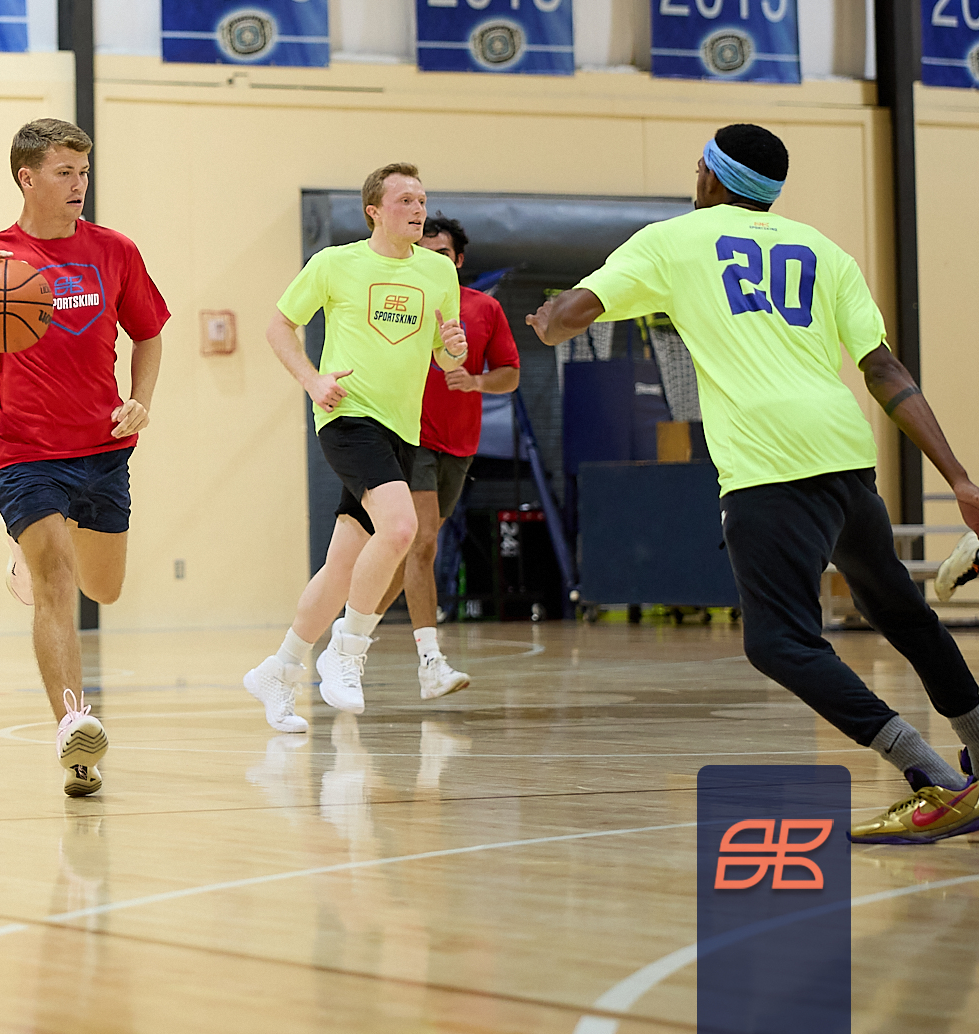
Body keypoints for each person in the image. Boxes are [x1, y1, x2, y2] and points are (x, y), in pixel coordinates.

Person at [527, 124, 979, 844]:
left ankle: (935, 778)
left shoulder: (672, 240)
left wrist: (547, 319)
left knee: (778, 642)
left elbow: (569, 318)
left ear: (710, 176)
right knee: (896, 607)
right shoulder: (824, 250)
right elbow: (884, 370)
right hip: (844, 451)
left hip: (770, 464)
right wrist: (958, 477)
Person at [0, 118, 170, 797]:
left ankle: (30, 562)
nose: (78, 184)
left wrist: (140, 399)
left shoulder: (114, 251)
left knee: (104, 588)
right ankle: (75, 730)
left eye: (83, 172)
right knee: (58, 581)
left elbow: (149, 333)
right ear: (27, 177)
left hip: (104, 448)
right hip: (26, 452)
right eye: (64, 172)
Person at [245, 163, 468, 729]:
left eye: (422, 199)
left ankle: (279, 668)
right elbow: (277, 327)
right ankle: (346, 652)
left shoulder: (439, 271)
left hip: (402, 430)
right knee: (401, 527)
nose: (417, 209)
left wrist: (454, 348)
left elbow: (445, 356)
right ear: (374, 210)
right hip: (347, 416)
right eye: (405, 200)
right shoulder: (334, 263)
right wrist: (312, 380)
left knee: (341, 566)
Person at [373, 212, 521, 699]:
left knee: (411, 549)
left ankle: (351, 634)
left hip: (459, 445)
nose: (431, 261)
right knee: (422, 543)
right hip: (410, 437)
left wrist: (476, 382)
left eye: (441, 254)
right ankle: (430, 662)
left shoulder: (484, 309)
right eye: (424, 252)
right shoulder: (400, 301)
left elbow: (510, 373)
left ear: (457, 260)